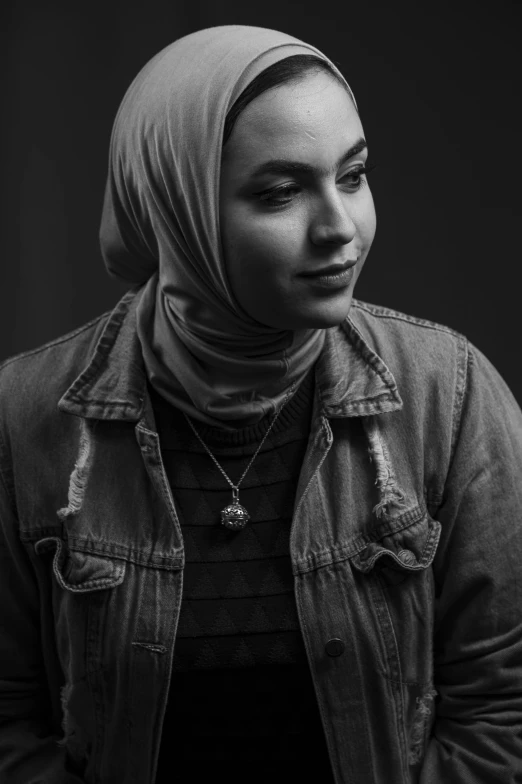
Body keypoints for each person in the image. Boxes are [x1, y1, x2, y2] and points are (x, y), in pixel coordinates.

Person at [0, 24, 521, 784]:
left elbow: (505, 713)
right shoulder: (23, 418)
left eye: (353, 174)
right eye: (280, 192)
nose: (340, 227)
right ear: (176, 209)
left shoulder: (453, 393)